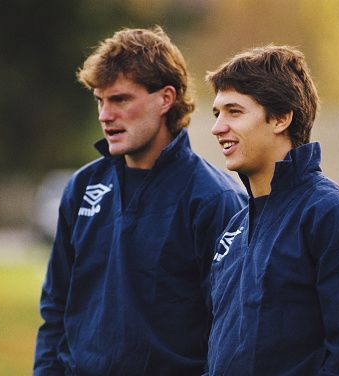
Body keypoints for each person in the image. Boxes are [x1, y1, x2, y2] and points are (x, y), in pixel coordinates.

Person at [33, 26, 246, 375]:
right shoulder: (82, 188)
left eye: (120, 100)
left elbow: (231, 331)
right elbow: (55, 306)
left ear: (166, 99)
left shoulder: (216, 200)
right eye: (100, 100)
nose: (105, 115)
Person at [205, 45, 339, 375]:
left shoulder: (336, 215)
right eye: (216, 113)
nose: (217, 127)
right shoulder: (234, 228)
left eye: (234, 112)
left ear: (281, 117)